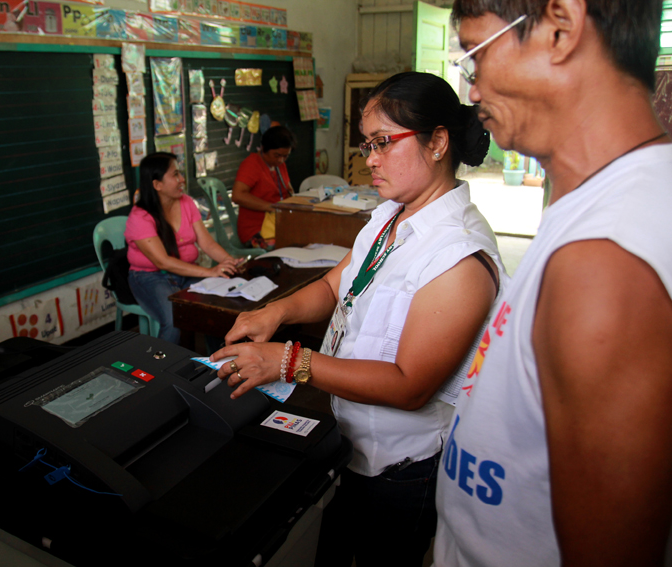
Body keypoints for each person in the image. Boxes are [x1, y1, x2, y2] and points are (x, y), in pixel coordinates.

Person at [210, 72, 505, 567]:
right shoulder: (390, 215)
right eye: (367, 144)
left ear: (437, 142)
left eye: (384, 143)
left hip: (403, 465)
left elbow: (409, 385)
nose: (369, 159)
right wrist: (275, 312)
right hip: (349, 440)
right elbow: (335, 285)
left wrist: (289, 362)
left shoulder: (457, 257)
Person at [434, 1, 672, 566]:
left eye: (476, 55)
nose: (472, 91)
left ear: (561, 28)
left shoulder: (603, 266)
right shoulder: (609, 208)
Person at [125, 152, 240, 344]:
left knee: (217, 306)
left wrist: (227, 261)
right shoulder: (140, 217)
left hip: (185, 272)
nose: (182, 180)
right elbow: (163, 261)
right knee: (173, 318)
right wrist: (210, 272)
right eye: (175, 175)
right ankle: (161, 369)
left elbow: (207, 243)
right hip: (150, 277)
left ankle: (217, 362)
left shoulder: (186, 202)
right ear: (157, 185)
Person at [232, 126, 297, 248]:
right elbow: (237, 195)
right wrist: (271, 207)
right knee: (290, 245)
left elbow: (288, 191)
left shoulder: (279, 165)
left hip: (277, 224)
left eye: (285, 156)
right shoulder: (251, 164)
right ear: (264, 148)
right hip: (256, 230)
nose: (281, 160)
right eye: (277, 155)